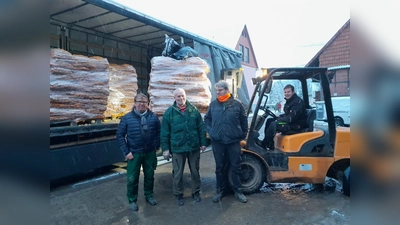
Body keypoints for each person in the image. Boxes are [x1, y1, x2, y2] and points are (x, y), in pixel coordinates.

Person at [160, 88, 207, 206]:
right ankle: (178, 194)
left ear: (185, 96)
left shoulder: (193, 110)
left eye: (182, 96)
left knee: (195, 171)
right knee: (177, 173)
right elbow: (165, 132)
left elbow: (201, 128)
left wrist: (203, 143)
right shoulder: (169, 113)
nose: (181, 98)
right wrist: (165, 149)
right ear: (174, 98)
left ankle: (196, 192)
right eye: (178, 97)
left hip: (193, 147)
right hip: (178, 148)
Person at [204, 80, 248, 203]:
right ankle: (220, 191)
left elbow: (244, 121)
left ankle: (238, 191)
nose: (218, 92)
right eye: (217, 90)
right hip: (218, 142)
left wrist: (242, 134)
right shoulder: (213, 105)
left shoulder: (237, 104)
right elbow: (207, 119)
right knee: (220, 167)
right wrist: (211, 131)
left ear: (227, 90)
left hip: (233, 142)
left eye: (220, 90)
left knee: (236, 166)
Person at [116, 93, 161, 211]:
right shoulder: (127, 118)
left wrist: (156, 145)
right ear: (135, 103)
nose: (141, 104)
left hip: (149, 152)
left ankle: (149, 195)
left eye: (144, 102)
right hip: (134, 153)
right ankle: (132, 200)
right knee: (132, 178)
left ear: (148, 104)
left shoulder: (153, 117)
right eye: (139, 102)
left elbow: (158, 132)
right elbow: (120, 136)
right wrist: (126, 152)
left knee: (150, 176)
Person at [259, 84, 307, 149]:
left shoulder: (297, 102)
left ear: (293, 92)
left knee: (274, 124)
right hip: (292, 122)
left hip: (296, 125)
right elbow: (288, 114)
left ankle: (265, 144)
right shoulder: (290, 101)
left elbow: (291, 118)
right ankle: (270, 143)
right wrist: (280, 116)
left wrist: (279, 120)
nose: (287, 94)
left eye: (288, 92)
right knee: (269, 120)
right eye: (285, 92)